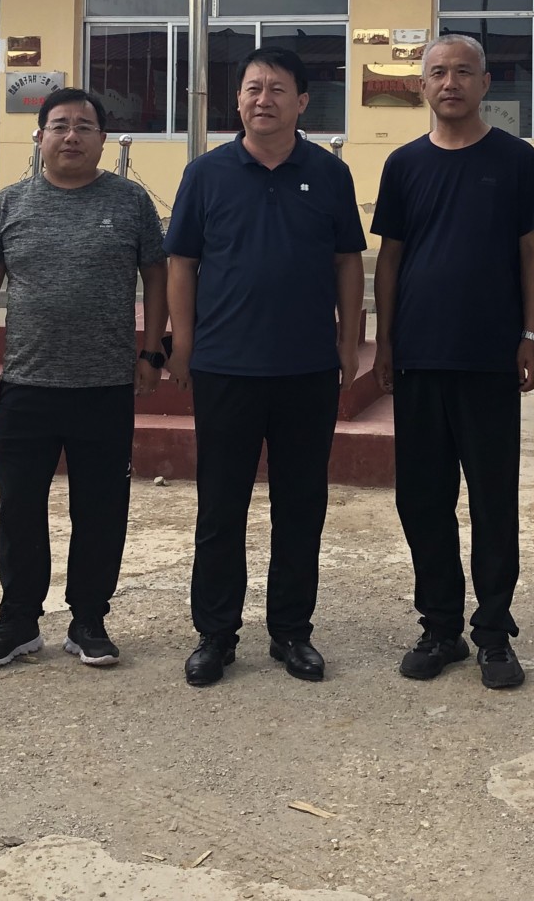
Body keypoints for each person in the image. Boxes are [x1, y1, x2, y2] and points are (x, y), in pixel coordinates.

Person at [166, 47, 367, 687]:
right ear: (238, 100)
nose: (263, 99)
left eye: (278, 89)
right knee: (220, 507)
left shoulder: (330, 174)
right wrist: (182, 345)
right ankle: (215, 634)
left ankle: (291, 632)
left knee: (300, 505)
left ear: (302, 102)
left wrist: (349, 343)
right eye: (253, 88)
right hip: (225, 366)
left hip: (307, 367)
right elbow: (182, 263)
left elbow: (347, 262)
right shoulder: (206, 174)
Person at [0, 87, 169, 670]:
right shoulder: (11, 203)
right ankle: (18, 620)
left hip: (104, 386)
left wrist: (152, 351)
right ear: (40, 138)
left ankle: (89, 620)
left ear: (103, 139)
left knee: (101, 510)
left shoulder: (129, 201)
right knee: (19, 508)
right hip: (26, 386)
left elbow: (156, 276)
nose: (71, 136)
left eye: (84, 126)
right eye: (59, 126)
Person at [372, 33, 534, 690]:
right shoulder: (403, 165)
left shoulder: (516, 159)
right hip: (420, 357)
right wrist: (385, 341)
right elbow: (390, 259)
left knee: (494, 500)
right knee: (423, 500)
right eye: (439, 73)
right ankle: (440, 627)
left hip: (490, 359)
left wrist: (530, 335)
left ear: (485, 84)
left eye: (464, 72)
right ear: (422, 85)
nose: (451, 83)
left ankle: (494, 633)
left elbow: (533, 252)